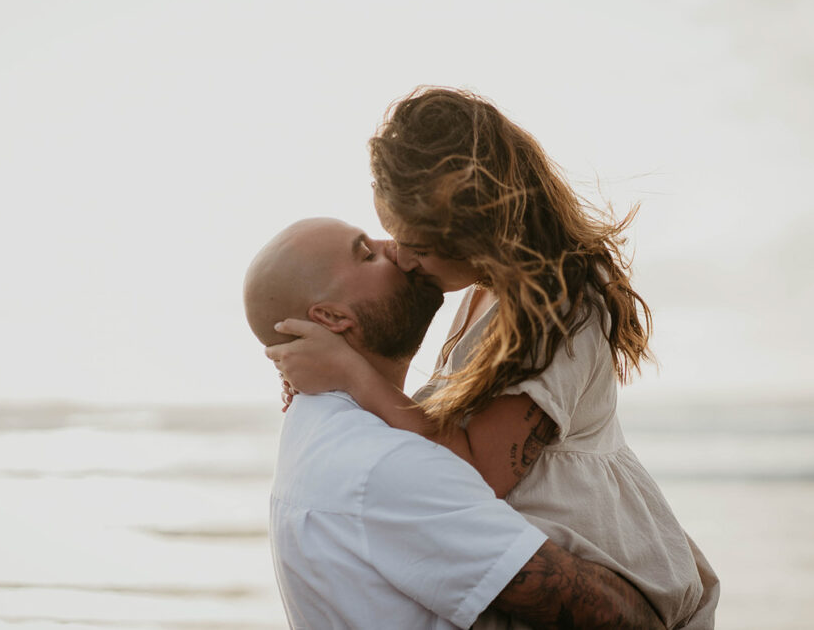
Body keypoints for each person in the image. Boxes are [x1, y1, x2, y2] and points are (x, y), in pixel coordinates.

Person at [266, 88, 719, 629]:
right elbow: (451, 429)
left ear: (477, 231)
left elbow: (473, 469)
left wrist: (354, 375)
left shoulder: (557, 301)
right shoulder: (488, 292)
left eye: (418, 245)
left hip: (603, 556)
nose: (403, 258)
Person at [244, 217, 662, 629]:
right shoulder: (386, 464)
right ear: (332, 318)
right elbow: (618, 619)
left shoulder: (320, 427)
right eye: (367, 254)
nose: (395, 247)